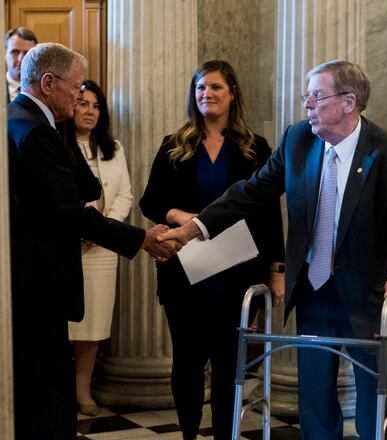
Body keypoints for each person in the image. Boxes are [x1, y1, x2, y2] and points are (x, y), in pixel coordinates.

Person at [159, 60, 387, 440]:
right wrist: (193, 229)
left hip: (370, 292)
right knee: (315, 395)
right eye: (307, 96)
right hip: (314, 288)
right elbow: (250, 192)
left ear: (349, 102)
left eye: (316, 96)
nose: (307, 105)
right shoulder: (298, 140)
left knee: (374, 395)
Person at [7, 42, 180, 440]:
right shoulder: (33, 131)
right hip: (38, 279)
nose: (81, 96)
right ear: (48, 82)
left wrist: (61, 126)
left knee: (46, 385)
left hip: (33, 280)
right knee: (48, 392)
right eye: (76, 86)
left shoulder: (32, 122)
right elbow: (70, 211)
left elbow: (84, 186)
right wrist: (141, 239)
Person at [139, 60, 285, 440]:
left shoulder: (256, 148)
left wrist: (277, 269)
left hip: (238, 273)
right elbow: (150, 201)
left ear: (232, 93)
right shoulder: (175, 146)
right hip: (185, 271)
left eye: (216, 87)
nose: (207, 94)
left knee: (228, 365)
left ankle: (225, 435)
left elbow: (270, 213)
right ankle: (188, 434)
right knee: (187, 362)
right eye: (201, 88)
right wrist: (184, 218)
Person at [60, 80, 133, 417]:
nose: (89, 111)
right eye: (83, 103)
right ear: (71, 106)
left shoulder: (113, 147)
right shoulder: (57, 144)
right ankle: (59, 394)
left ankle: (82, 390)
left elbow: (125, 196)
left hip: (102, 250)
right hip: (66, 247)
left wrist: (105, 229)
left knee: (93, 325)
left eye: (95, 106)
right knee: (65, 324)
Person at [5, 27, 38, 103]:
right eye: (15, 52)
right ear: (5, 54)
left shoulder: (45, 92)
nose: (21, 59)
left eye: (27, 53)